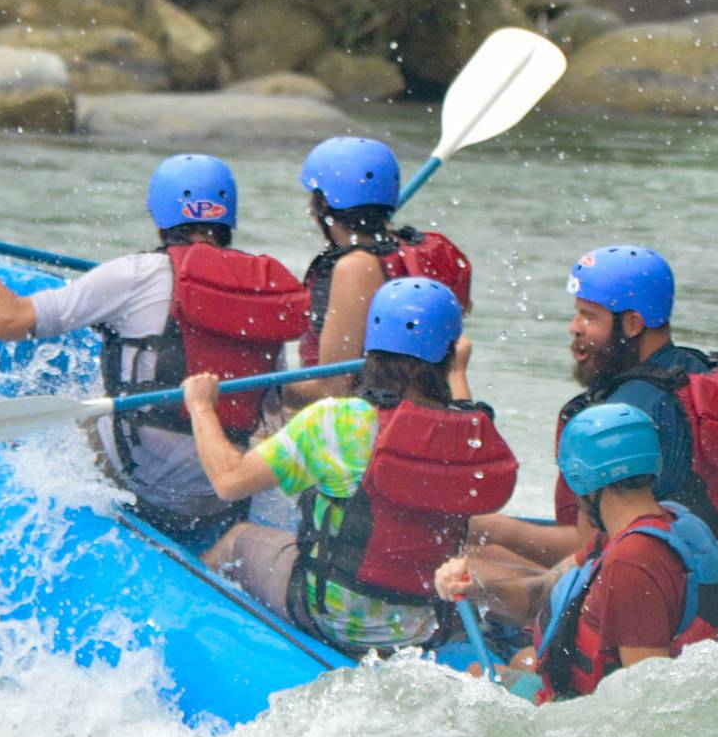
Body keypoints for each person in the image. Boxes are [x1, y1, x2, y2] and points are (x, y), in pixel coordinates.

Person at [0, 153, 308, 549]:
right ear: (226, 218)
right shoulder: (265, 290)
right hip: (220, 492)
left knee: (82, 409)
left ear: (159, 217)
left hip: (145, 481)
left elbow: (7, 321)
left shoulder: (136, 274)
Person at [179, 278, 515, 657]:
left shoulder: (338, 421)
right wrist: (455, 369)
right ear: (451, 354)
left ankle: (191, 637)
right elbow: (461, 410)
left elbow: (229, 481)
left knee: (235, 540)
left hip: (333, 619)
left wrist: (202, 406)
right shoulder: (469, 434)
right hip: (422, 626)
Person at [465, 246, 718, 608]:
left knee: (469, 556)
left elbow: (591, 547)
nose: (574, 327)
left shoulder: (616, 419)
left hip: (644, 597)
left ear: (632, 323)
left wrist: (496, 529)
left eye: (588, 316)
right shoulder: (707, 381)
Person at [437, 403, 718, 702]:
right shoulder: (668, 525)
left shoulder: (632, 563)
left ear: (580, 479)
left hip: (586, 721)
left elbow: (649, 701)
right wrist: (476, 589)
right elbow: (538, 595)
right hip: (595, 701)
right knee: (520, 661)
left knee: (463, 673)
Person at [285, 137, 473, 405]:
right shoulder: (415, 248)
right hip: (418, 412)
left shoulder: (355, 267)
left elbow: (332, 389)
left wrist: (266, 389)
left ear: (321, 205)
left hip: (362, 425)